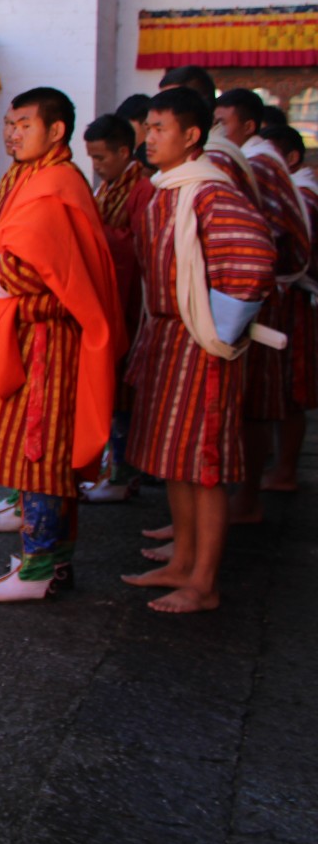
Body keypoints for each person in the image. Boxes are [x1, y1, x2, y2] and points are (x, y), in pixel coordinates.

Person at [0, 90, 121, 601]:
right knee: (35, 451)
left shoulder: (55, 185)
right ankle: (47, 559)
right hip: (27, 338)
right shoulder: (31, 176)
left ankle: (41, 568)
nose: (11, 133)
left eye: (23, 123)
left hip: (48, 344)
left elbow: (31, 270)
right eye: (8, 123)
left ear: (56, 131)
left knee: (41, 452)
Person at [120, 88, 275, 613]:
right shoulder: (169, 188)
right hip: (166, 337)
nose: (150, 138)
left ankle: (204, 582)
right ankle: (183, 560)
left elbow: (254, 258)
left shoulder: (208, 191)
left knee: (203, 464)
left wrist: (217, 328)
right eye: (149, 128)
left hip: (199, 344)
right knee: (176, 459)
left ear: (191, 137)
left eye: (160, 128)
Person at [212, 89, 310, 525]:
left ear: (248, 126)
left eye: (222, 122)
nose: (217, 131)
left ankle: (248, 496)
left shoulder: (257, 163)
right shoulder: (245, 157)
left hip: (260, 302)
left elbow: (260, 240)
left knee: (259, 402)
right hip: (249, 299)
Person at [80, 113, 158, 504]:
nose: (95, 166)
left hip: (131, 303)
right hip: (109, 301)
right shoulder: (108, 188)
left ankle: (124, 471)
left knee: (125, 390)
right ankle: (115, 465)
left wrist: (93, 235)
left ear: (124, 152)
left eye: (101, 158)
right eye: (91, 158)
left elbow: (141, 246)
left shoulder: (141, 190)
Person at [263, 123, 318, 493]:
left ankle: (285, 470)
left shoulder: (303, 194)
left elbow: (300, 253)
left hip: (297, 298)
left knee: (293, 390)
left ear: (291, 158)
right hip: (288, 296)